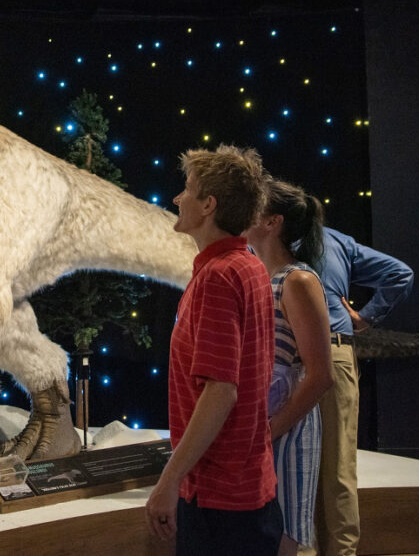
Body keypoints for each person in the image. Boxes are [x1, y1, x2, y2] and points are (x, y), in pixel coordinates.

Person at [144, 145, 282, 556]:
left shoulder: (219, 278)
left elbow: (221, 392)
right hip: (247, 491)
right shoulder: (249, 265)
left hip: (219, 502)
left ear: (208, 204)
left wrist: (168, 483)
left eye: (186, 189)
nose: (176, 198)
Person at [311, 227, 414, 556]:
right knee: (337, 467)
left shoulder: (262, 238)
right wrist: (366, 318)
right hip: (333, 350)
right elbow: (400, 274)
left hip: (293, 356)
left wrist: (366, 317)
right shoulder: (335, 239)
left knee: (296, 467)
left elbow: (400, 274)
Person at [245, 180, 334, 556]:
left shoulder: (297, 281)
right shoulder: (255, 276)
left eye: (252, 207)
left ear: (272, 222)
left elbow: (319, 375)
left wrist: (270, 432)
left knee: (281, 533)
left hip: (286, 428)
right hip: (256, 424)